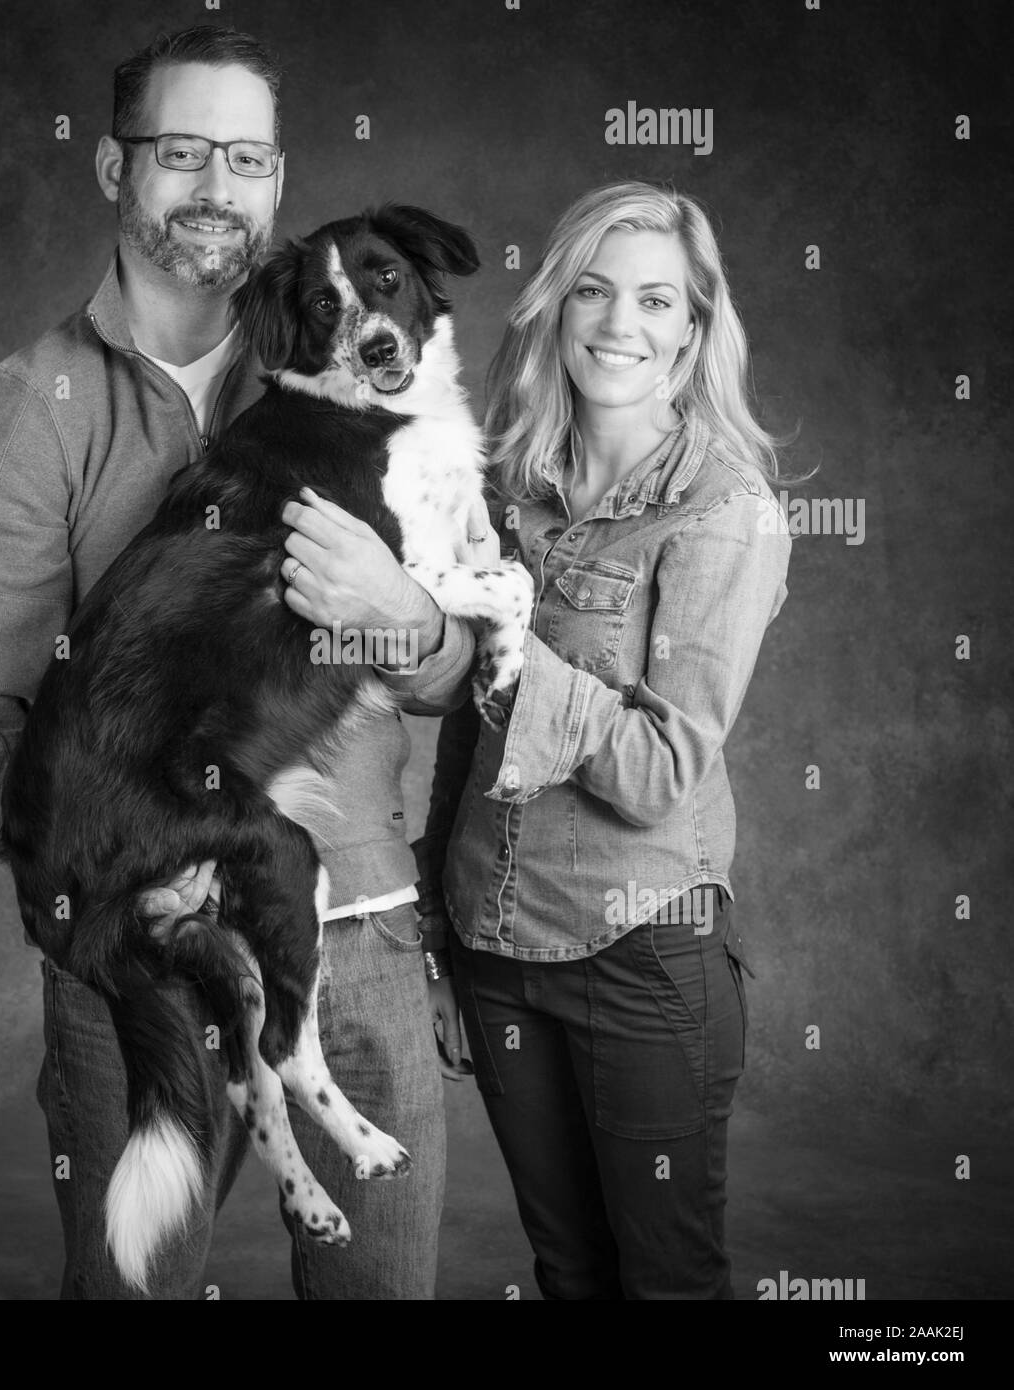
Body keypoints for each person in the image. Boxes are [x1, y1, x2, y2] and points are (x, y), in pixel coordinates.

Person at [0, 24, 476, 1300]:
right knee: (134, 1291)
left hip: (368, 927)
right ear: (115, 170)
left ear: (278, 179)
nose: (215, 187)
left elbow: (453, 672)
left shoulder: (364, 354)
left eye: (244, 156)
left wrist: (410, 615)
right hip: (148, 927)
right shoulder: (34, 403)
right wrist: (115, 886)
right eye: (180, 152)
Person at [414, 181, 793, 1300]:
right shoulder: (506, 488)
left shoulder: (728, 512)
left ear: (693, 324)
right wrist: (441, 932)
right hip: (494, 952)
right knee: (569, 1270)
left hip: (643, 957)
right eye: (592, 289)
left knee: (662, 1280)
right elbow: (465, 742)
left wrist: (511, 648)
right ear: (556, 306)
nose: (618, 323)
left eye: (654, 298)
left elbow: (660, 769)